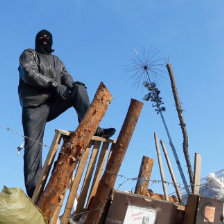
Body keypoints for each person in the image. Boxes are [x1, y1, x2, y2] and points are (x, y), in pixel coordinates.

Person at [18, 29, 116, 197]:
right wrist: (55, 85)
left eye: (47, 39)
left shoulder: (57, 61)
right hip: (34, 106)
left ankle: (92, 127)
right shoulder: (29, 54)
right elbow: (29, 73)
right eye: (41, 38)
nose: (44, 40)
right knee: (33, 147)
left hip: (54, 103)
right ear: (36, 41)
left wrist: (71, 87)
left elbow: (66, 77)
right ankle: (35, 193)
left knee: (78, 88)